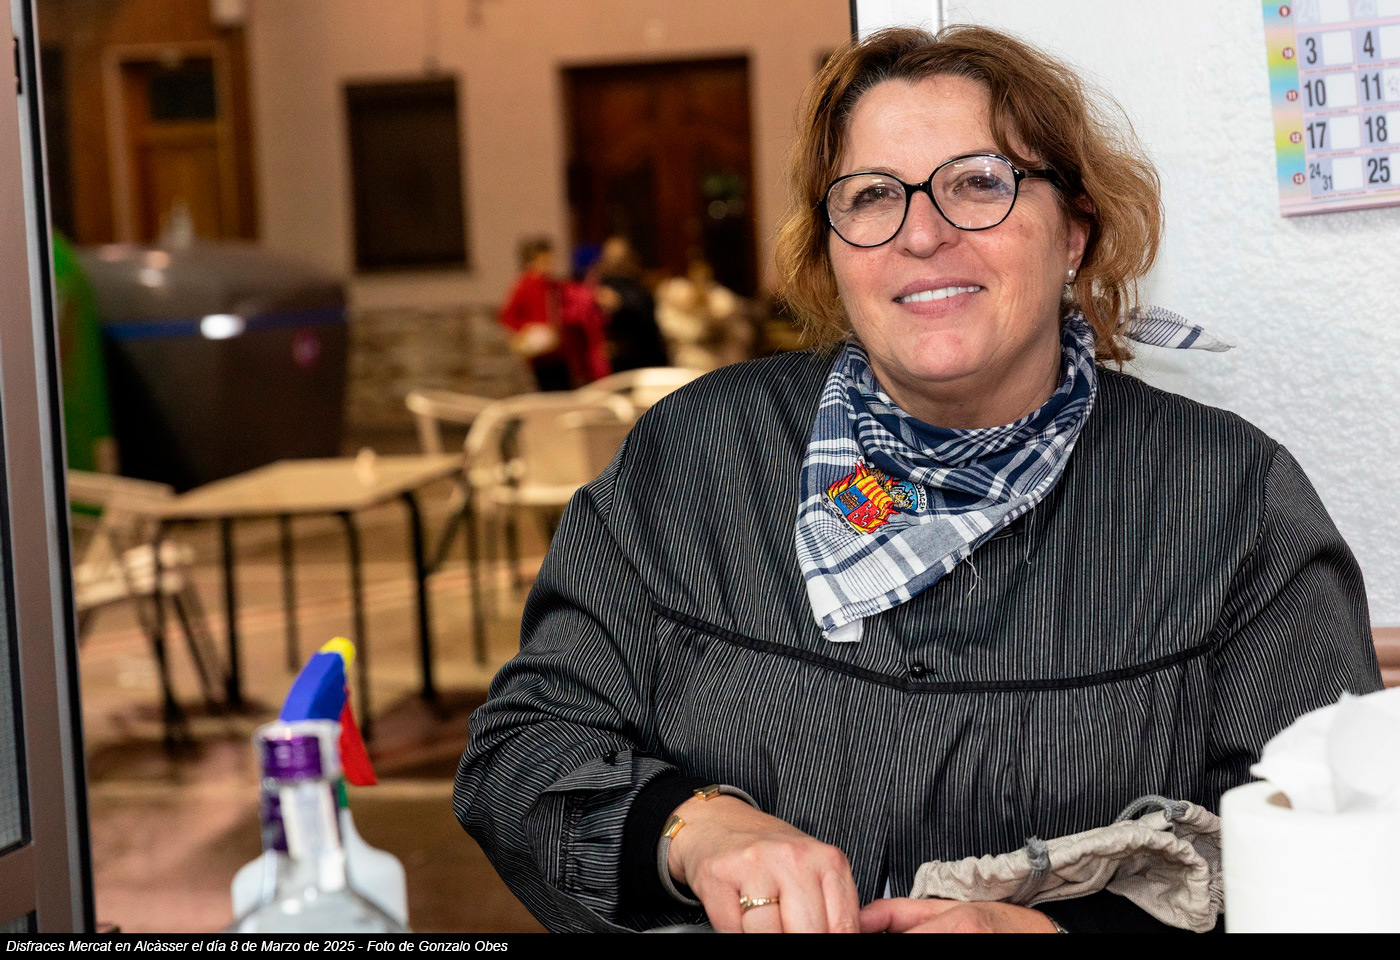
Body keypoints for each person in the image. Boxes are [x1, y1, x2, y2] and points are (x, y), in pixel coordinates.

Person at [455, 26, 1382, 933]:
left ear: (1075, 230)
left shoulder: (1232, 500)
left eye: (979, 183)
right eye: (871, 196)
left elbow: (1332, 851)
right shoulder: (696, 455)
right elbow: (521, 752)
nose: (923, 234)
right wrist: (692, 830)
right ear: (831, 249)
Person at [498, 237, 571, 391]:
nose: (550, 265)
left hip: (557, 350)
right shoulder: (524, 285)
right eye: (544, 261)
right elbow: (507, 315)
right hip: (539, 353)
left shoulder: (552, 285)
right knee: (549, 389)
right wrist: (528, 330)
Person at [597, 237, 668, 372]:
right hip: (613, 361)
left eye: (619, 259)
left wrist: (621, 304)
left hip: (640, 358)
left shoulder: (639, 287)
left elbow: (646, 323)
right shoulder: (601, 284)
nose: (615, 263)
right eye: (611, 258)